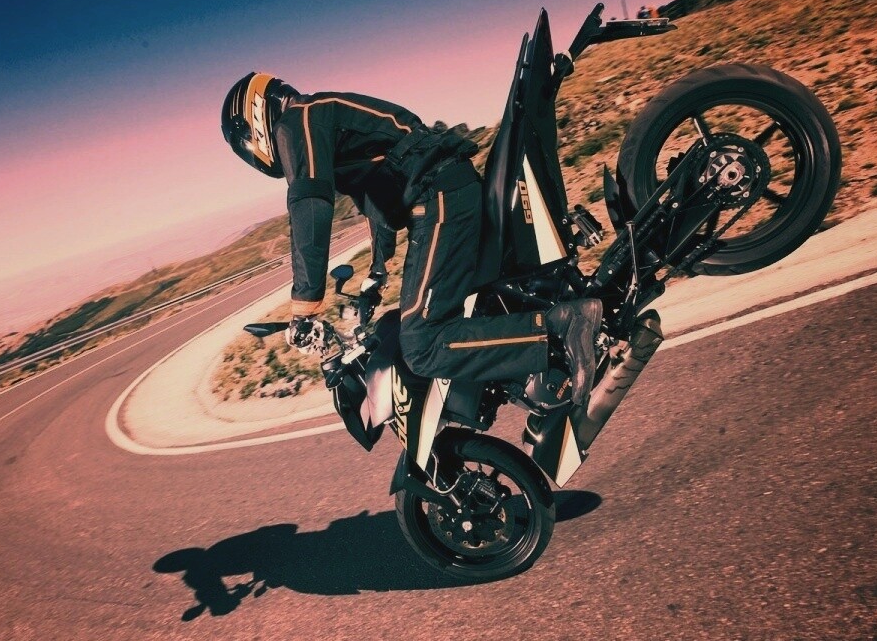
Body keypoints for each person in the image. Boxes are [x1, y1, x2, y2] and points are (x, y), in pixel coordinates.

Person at [221, 73, 602, 403]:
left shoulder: (297, 120)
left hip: (436, 196)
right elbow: (375, 201)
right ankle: (537, 368)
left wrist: (305, 306)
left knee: (423, 343)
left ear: (255, 122)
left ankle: (563, 327)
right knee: (467, 304)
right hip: (444, 190)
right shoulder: (321, 117)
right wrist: (377, 272)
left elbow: (309, 206)